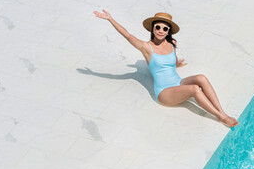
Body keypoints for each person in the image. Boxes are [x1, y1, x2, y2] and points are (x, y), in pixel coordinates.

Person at [93, 10, 239, 128]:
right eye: (158, 27)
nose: (161, 31)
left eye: (165, 28)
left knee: (201, 77)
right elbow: (128, 36)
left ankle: (222, 111)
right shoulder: (146, 48)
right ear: (152, 28)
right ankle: (221, 117)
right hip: (164, 93)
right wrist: (110, 19)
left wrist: (177, 64)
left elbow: (172, 59)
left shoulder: (172, 43)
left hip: (178, 82)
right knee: (195, 89)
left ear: (168, 31)